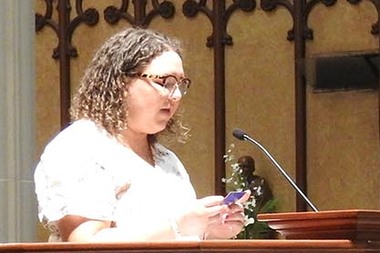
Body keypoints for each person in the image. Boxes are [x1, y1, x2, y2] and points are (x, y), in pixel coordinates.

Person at [33, 27, 246, 242]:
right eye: (165, 82)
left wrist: (211, 230)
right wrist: (177, 226)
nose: (176, 95)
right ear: (121, 82)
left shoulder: (166, 160)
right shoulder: (80, 146)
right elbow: (84, 242)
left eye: (180, 84)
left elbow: (176, 236)